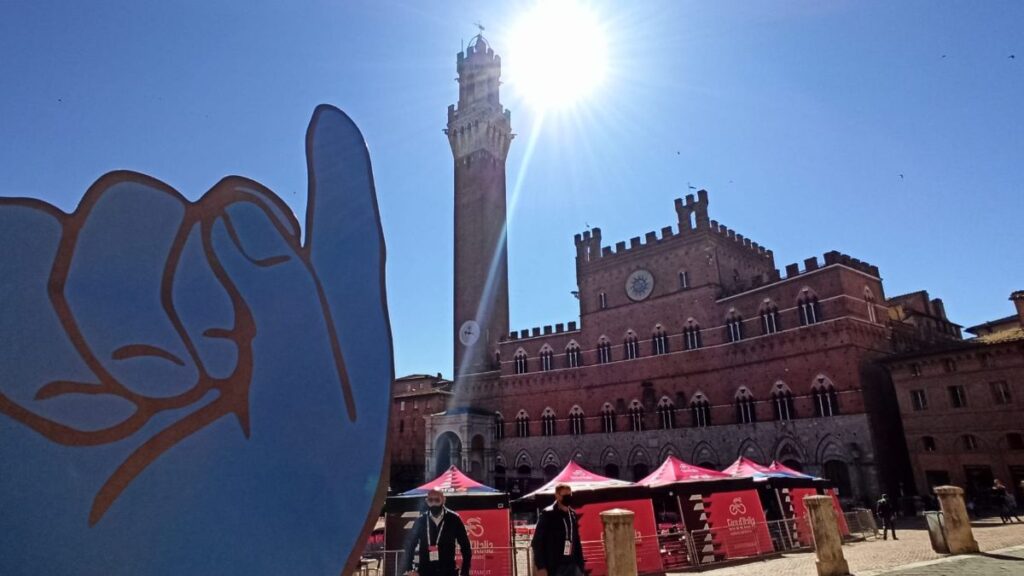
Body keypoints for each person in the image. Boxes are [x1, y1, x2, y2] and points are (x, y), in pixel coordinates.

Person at [402, 489, 472, 576]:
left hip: (448, 571)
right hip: (425, 571)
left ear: (443, 500)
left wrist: (465, 571)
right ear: (427, 501)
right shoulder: (421, 520)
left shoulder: (454, 519)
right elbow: (410, 545)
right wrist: (409, 568)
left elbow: (465, 546)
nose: (434, 503)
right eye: (431, 500)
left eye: (437, 500)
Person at [531, 484, 585, 576]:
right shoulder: (548, 514)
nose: (568, 498)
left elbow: (576, 540)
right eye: (565, 495)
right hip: (555, 566)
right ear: (557, 495)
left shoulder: (572, 514)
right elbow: (537, 542)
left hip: (573, 564)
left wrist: (581, 564)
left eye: (570, 495)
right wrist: (541, 566)